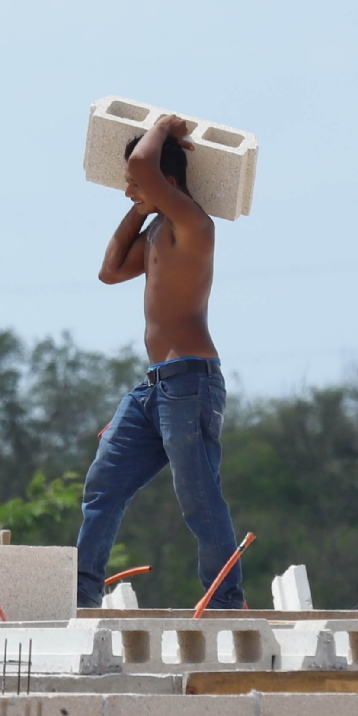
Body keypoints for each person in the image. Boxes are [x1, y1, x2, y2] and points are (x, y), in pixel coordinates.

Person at [76, 113, 244, 609]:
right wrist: (139, 209)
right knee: (103, 483)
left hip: (191, 382)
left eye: (135, 185)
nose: (129, 190)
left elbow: (144, 165)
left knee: (198, 496)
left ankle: (224, 601)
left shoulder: (194, 224)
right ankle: (82, 593)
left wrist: (166, 127)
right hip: (152, 388)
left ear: (166, 182)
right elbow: (108, 271)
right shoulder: (154, 233)